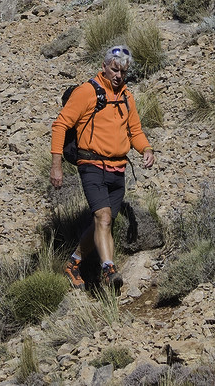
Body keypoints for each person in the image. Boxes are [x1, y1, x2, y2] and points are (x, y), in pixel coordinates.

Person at [51, 45, 155, 289]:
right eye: (114, 69)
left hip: (118, 169)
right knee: (104, 217)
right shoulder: (87, 92)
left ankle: (74, 263)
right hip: (92, 164)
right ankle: (108, 269)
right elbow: (60, 125)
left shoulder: (127, 97)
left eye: (123, 72)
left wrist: (146, 149)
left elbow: (135, 132)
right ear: (104, 67)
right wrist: (56, 165)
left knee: (103, 222)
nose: (118, 75)